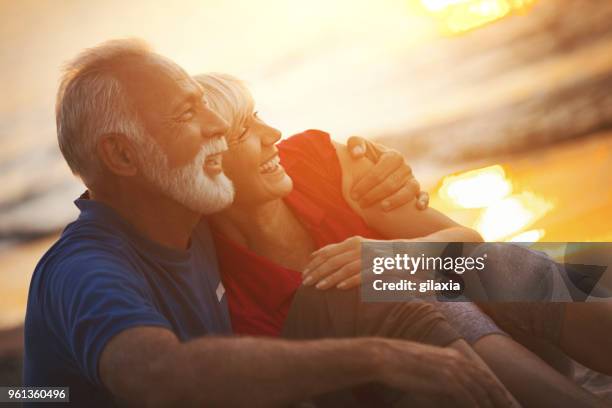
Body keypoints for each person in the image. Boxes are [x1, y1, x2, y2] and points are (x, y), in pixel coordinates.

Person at [23, 39, 513, 407]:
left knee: (521, 268)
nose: (215, 127)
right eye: (187, 114)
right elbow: (154, 372)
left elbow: (466, 247)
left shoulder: (196, 209)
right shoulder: (86, 268)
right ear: (123, 155)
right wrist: (381, 356)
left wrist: (375, 167)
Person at [196, 72, 609, 407]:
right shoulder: (218, 286)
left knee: (489, 263)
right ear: (209, 165)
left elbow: (471, 241)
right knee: (402, 291)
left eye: (259, 115)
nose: (272, 133)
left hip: (524, 347)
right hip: (418, 387)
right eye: (243, 130)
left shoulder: (314, 160)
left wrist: (402, 255)